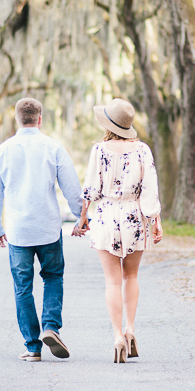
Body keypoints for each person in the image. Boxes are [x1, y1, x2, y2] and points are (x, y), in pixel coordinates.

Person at [0, 97, 83, 361]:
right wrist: (81, 217)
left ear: (17, 119)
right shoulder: (53, 148)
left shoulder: (3, 150)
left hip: (18, 231)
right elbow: (72, 188)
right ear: (40, 119)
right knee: (52, 277)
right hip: (48, 227)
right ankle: (51, 327)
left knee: (22, 287)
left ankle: (33, 347)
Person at [72, 98, 162, 363]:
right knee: (131, 277)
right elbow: (150, 188)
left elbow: (90, 189)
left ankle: (117, 336)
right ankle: (131, 330)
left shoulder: (99, 150)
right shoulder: (142, 150)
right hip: (134, 214)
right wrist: (155, 219)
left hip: (105, 216)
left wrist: (82, 219)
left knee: (112, 280)